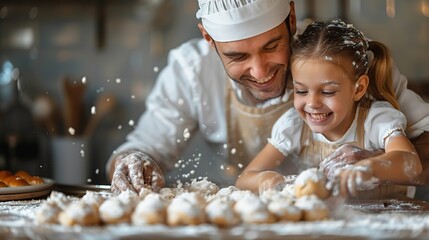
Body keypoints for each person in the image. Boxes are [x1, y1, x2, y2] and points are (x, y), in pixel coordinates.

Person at [107, 0, 429, 194]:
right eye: (237, 57)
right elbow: (141, 150)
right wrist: (134, 164)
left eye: (272, 46)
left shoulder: (343, 58)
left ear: (290, 17)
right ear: (208, 38)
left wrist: (373, 163)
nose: (260, 72)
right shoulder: (190, 70)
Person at [235, 19, 422, 198]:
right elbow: (244, 179)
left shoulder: (376, 121)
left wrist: (371, 167)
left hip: (388, 223)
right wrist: (262, 179)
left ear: (359, 88)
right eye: (301, 90)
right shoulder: (294, 126)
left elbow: (411, 163)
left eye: (327, 91)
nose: (312, 103)